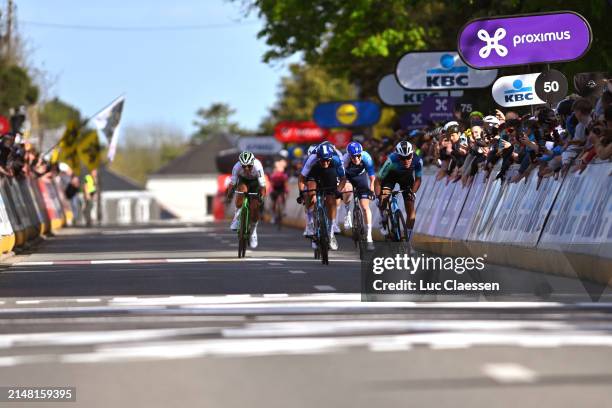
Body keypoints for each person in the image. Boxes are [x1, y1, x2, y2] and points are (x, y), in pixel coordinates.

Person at [298, 143, 347, 251]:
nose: (325, 162)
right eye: (323, 160)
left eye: (327, 160)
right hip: (314, 173)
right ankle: (311, 224)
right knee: (311, 194)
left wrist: (338, 191)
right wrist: (301, 192)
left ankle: (330, 233)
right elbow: (302, 178)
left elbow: (343, 179)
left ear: (331, 158)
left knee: (331, 200)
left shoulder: (335, 159)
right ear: (318, 157)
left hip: (329, 174)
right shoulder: (312, 159)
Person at [375, 140, 422, 243]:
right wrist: (378, 196)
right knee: (383, 198)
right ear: (398, 156)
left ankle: (407, 239)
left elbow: (418, 179)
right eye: (402, 158)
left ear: (412, 154)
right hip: (390, 178)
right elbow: (378, 180)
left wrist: (413, 192)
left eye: (408, 157)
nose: (406, 161)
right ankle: (383, 217)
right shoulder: (391, 160)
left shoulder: (418, 160)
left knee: (411, 210)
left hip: (406, 179)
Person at [227, 151, 266, 249]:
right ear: (241, 164)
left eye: (249, 166)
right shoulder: (236, 167)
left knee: (254, 208)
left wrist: (261, 197)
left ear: (252, 163)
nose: (247, 168)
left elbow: (262, 186)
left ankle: (253, 232)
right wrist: (229, 194)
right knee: (241, 191)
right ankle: (236, 218)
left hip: (255, 183)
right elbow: (232, 183)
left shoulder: (258, 166)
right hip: (243, 181)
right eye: (244, 166)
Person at [341, 141, 375, 249]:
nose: (356, 159)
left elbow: (372, 178)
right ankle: (347, 211)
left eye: (358, 156)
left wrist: (371, 191)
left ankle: (369, 236)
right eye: (353, 157)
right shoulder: (344, 160)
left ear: (361, 153)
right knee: (347, 189)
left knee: (365, 207)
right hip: (348, 178)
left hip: (361, 178)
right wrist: (338, 190)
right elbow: (342, 178)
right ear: (349, 156)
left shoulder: (366, 157)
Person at [269, 158, 289, 224]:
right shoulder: (274, 175)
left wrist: (286, 190)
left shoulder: (283, 175)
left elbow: (285, 184)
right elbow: (272, 184)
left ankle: (283, 210)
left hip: (281, 187)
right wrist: (271, 190)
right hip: (275, 188)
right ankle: (274, 216)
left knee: (283, 197)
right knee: (274, 202)